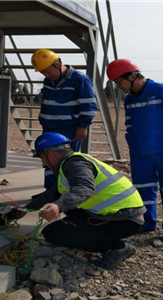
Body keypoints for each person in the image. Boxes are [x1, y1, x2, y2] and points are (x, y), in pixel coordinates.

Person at [15, 132, 145, 269]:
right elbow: (52, 194)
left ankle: (118, 248)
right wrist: (26, 209)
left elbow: (85, 188)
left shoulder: (75, 164)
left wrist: (57, 207)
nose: (44, 163)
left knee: (53, 234)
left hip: (124, 220)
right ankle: (99, 236)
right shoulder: (73, 162)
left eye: (42, 158)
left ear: (50, 154)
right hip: (123, 214)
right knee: (69, 211)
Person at [106, 59, 163, 246]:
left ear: (132, 76)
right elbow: (129, 125)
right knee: (143, 191)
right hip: (141, 155)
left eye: (119, 81)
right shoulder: (130, 99)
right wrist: (134, 147)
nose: (118, 86)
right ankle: (147, 222)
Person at [31, 49, 97, 194]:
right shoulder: (49, 80)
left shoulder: (80, 79)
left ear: (58, 64)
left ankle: (63, 194)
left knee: (64, 163)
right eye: (43, 73)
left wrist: (83, 126)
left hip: (68, 130)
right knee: (48, 161)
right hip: (50, 128)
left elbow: (89, 105)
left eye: (47, 71)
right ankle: (50, 192)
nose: (46, 75)